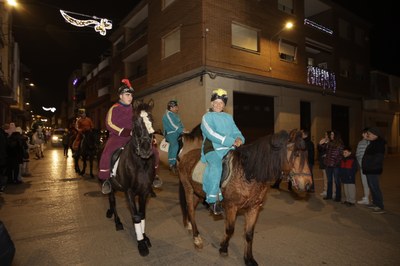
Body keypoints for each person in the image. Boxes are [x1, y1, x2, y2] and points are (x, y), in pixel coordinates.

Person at [200, 88, 245, 215]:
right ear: (211, 104)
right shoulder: (207, 117)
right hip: (212, 148)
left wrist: (239, 139)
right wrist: (230, 141)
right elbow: (212, 133)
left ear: (224, 105)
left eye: (221, 103)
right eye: (216, 102)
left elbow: (236, 131)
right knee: (216, 166)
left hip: (229, 147)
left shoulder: (228, 117)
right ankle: (212, 200)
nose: (218, 105)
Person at [98, 79, 134, 194]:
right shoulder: (115, 108)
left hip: (132, 137)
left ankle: (153, 175)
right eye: (127, 95)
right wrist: (123, 132)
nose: (130, 97)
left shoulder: (133, 108)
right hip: (118, 137)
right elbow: (109, 123)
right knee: (107, 152)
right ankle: (105, 179)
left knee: (152, 150)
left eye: (131, 95)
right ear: (120, 96)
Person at [362, 127, 386, 214]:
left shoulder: (379, 144)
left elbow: (378, 158)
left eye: (369, 134)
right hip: (369, 169)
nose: (368, 135)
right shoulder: (374, 142)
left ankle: (380, 206)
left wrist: (369, 165)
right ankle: (375, 203)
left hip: (373, 169)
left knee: (375, 187)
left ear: (375, 134)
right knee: (372, 187)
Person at [162, 100, 184, 174]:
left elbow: (180, 124)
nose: (177, 108)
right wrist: (181, 130)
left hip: (178, 132)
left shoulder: (176, 115)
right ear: (171, 108)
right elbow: (172, 125)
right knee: (175, 145)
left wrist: (184, 130)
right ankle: (172, 163)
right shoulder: (167, 115)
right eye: (175, 107)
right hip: (171, 133)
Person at [322, 131, 344, 202]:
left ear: (336, 135)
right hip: (328, 165)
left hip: (335, 166)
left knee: (337, 181)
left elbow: (341, 155)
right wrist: (322, 143)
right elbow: (322, 149)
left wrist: (336, 163)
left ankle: (338, 197)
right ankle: (329, 195)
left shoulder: (340, 144)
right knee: (329, 181)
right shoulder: (329, 143)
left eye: (332, 134)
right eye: (330, 134)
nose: (330, 135)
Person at [356, 128, 370, 205]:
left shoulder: (371, 142)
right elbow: (357, 154)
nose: (363, 135)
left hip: (370, 167)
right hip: (362, 166)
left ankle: (373, 199)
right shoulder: (360, 142)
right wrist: (360, 164)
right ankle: (366, 198)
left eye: (365, 133)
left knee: (371, 183)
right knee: (364, 182)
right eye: (363, 133)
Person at [317, 131, 332, 197]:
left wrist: (327, 155)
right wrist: (320, 144)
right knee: (325, 177)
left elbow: (330, 151)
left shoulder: (331, 143)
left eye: (326, 134)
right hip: (323, 162)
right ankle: (325, 190)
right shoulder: (323, 142)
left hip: (329, 162)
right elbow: (320, 150)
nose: (325, 136)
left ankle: (331, 191)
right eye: (325, 134)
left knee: (330, 177)